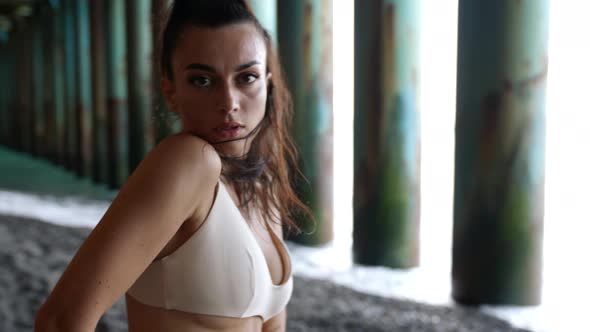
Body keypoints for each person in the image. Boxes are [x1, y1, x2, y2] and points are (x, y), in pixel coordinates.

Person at [34, 0, 313, 331]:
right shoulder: (188, 163)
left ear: (267, 83)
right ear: (171, 91)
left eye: (246, 77)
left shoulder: (261, 180)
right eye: (202, 80)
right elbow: (61, 320)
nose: (228, 103)